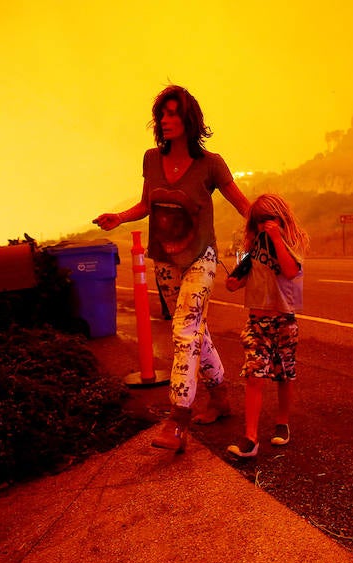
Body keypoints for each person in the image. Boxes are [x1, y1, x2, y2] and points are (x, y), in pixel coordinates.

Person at [93, 84, 250, 452]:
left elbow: (244, 205)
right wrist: (119, 217)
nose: (165, 120)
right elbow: (147, 203)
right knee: (196, 332)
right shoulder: (151, 159)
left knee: (184, 329)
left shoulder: (211, 164)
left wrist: (271, 225)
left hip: (201, 258)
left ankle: (177, 420)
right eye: (162, 114)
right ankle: (221, 397)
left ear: (189, 119)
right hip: (165, 260)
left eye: (173, 113)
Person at [224, 193, 309, 458]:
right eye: (259, 220)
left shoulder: (292, 243)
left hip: (284, 319)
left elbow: (290, 271)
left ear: (281, 217)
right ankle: (250, 438)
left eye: (269, 218)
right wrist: (233, 281)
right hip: (256, 321)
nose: (264, 225)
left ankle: (282, 421)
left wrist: (276, 238)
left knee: (284, 374)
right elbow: (239, 278)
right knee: (254, 375)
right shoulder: (252, 249)